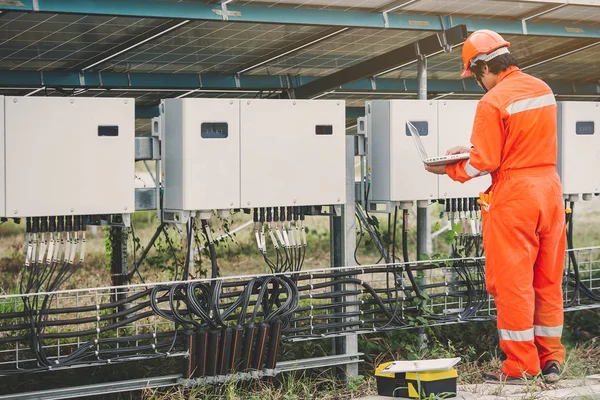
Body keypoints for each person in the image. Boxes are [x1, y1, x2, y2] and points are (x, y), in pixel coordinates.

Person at [424, 29, 566, 383]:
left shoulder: (492, 101)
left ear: (483, 68)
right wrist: (469, 150)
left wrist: (448, 167)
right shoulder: (543, 90)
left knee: (513, 282)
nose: (477, 83)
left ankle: (521, 365)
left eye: (474, 76)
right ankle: (551, 360)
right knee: (547, 279)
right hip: (549, 189)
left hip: (515, 196)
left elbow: (483, 163)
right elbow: (515, 144)